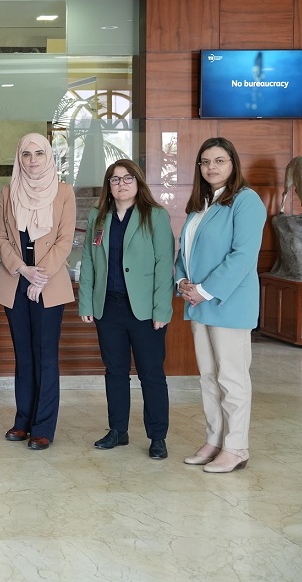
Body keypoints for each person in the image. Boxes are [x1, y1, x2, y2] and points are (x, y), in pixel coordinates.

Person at [174, 137, 265, 474]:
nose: (211, 167)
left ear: (232, 164)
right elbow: (186, 251)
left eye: (219, 160)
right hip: (198, 304)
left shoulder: (246, 201)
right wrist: (181, 281)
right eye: (205, 162)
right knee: (209, 378)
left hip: (228, 304)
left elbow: (243, 256)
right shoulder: (202, 204)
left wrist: (205, 290)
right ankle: (215, 439)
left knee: (232, 378)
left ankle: (236, 446)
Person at [79, 159, 175, 460]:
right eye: (115, 179)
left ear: (138, 182)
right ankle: (117, 430)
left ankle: (157, 436)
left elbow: (164, 266)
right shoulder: (98, 216)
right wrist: (86, 302)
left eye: (127, 178)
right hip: (108, 307)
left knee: (151, 374)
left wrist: (162, 309)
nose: (121, 184)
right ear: (109, 186)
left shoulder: (155, 216)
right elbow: (89, 263)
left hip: (145, 310)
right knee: (115, 372)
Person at [0, 133, 75, 451]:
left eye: (39, 153)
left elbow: (65, 240)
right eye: (26, 154)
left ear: (48, 156)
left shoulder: (64, 192)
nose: (33, 160)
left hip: (49, 282)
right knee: (23, 356)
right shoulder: (8, 192)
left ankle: (43, 426)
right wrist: (22, 270)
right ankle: (23, 420)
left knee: (46, 357)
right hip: (16, 279)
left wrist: (40, 277)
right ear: (19, 158)